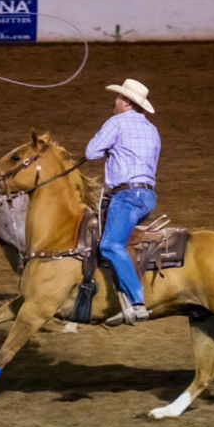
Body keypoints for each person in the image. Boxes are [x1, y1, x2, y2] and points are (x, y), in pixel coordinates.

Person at [85, 79, 161, 324]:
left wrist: (110, 149)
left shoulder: (116, 122)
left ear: (126, 102)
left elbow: (91, 153)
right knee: (120, 242)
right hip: (147, 197)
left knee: (110, 246)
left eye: (118, 98)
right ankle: (120, 298)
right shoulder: (152, 129)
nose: (114, 102)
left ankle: (137, 302)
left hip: (126, 196)